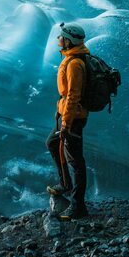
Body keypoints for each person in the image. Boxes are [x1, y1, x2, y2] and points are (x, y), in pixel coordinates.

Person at [46, 22, 91, 220]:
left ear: (69, 40)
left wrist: (66, 123)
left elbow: (73, 95)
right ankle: (65, 184)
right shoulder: (72, 58)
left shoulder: (75, 64)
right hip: (66, 113)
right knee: (53, 142)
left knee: (75, 161)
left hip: (73, 117)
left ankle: (78, 207)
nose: (58, 40)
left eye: (61, 37)